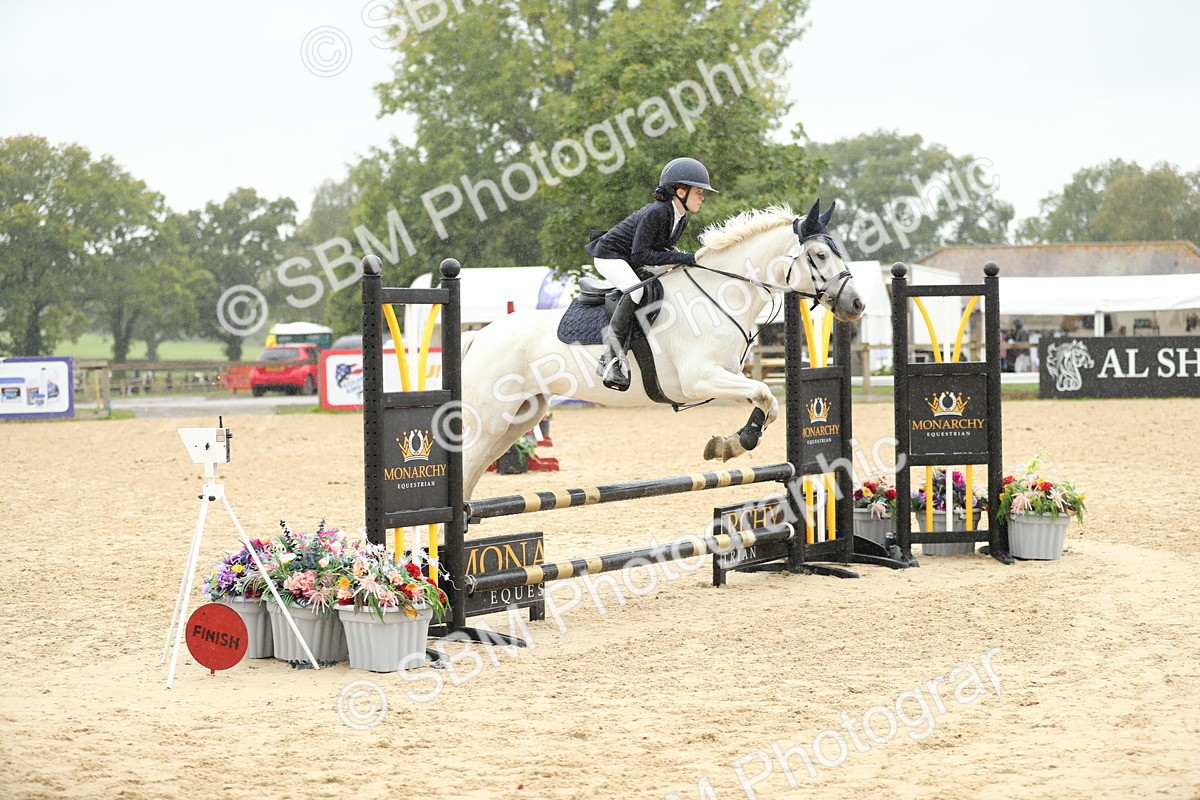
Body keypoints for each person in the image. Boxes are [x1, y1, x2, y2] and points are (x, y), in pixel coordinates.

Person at [585, 157, 717, 390]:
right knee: (636, 291)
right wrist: (682, 257)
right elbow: (640, 255)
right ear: (680, 192)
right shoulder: (656, 212)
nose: (702, 197)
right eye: (698, 192)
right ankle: (610, 359)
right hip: (609, 256)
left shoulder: (681, 218)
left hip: (629, 258)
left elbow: (661, 250)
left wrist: (687, 259)